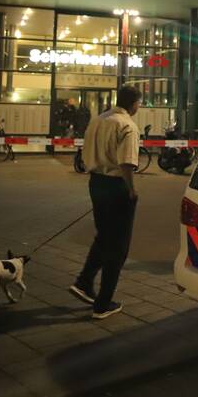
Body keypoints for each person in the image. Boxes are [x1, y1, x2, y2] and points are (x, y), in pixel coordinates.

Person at [69, 85, 142, 319]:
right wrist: (132, 190)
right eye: (139, 103)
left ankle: (84, 281)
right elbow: (127, 163)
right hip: (116, 185)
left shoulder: (98, 120)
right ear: (133, 103)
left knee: (104, 235)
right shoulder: (127, 125)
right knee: (118, 246)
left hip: (95, 183)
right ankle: (103, 303)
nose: (139, 107)